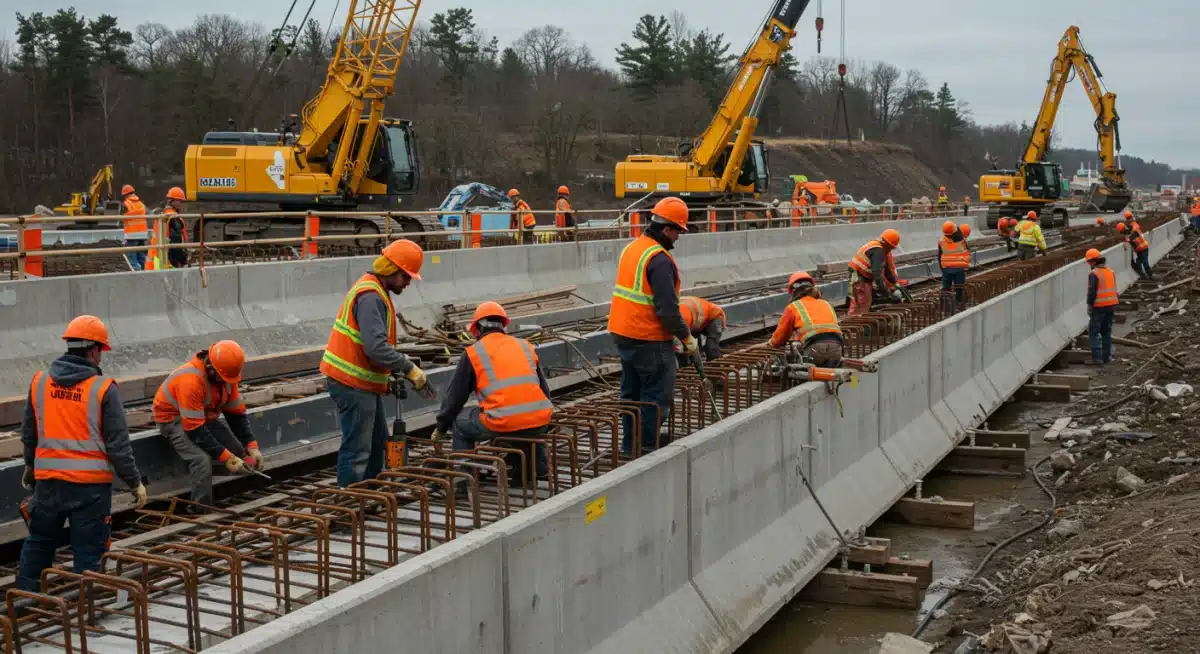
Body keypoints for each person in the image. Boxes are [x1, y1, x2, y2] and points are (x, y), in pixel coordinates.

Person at [17, 316, 146, 592]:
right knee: (89, 552)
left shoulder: (40, 382)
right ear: (95, 350)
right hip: (90, 490)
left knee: (39, 542)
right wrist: (134, 482)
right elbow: (118, 446)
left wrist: (30, 466)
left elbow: (29, 432)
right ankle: (85, 610)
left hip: (49, 483)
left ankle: (24, 602)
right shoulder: (103, 389)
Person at [321, 239, 431, 487]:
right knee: (358, 448)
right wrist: (408, 368)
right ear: (392, 270)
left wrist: (387, 378)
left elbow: (370, 348)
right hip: (351, 383)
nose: (408, 282)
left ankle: (370, 493)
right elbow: (376, 348)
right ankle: (350, 499)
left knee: (377, 442)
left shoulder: (376, 290)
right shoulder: (371, 297)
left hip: (362, 383)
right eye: (406, 275)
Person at [431, 301, 554, 483]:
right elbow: (544, 391)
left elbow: (454, 398)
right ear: (503, 326)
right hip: (541, 421)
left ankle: (463, 481)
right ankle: (540, 469)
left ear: (477, 329)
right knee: (528, 419)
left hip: (504, 423)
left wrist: (441, 427)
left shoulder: (474, 353)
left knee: (460, 423)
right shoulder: (525, 346)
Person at [608, 196, 693, 455]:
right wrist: (686, 337)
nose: (678, 237)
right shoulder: (660, 260)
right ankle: (645, 447)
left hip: (623, 332)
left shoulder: (633, 248)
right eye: (678, 231)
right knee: (656, 395)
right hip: (649, 337)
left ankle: (629, 444)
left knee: (632, 392)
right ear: (667, 228)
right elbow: (668, 310)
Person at [154, 341, 260, 511]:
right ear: (211, 367)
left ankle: (209, 478)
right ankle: (199, 510)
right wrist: (226, 458)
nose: (225, 382)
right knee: (201, 460)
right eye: (223, 378)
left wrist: (251, 445)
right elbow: (195, 431)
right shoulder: (191, 381)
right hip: (173, 419)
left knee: (239, 452)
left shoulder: (226, 376)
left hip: (202, 416)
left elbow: (236, 415)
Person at [769, 272, 843, 367]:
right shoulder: (826, 303)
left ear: (793, 292)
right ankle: (849, 381)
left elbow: (778, 340)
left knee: (789, 366)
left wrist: (771, 343)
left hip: (815, 350)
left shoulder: (793, 307)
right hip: (837, 349)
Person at [847, 229, 903, 316]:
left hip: (861, 277)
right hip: (860, 278)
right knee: (862, 304)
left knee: (862, 303)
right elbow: (877, 272)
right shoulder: (878, 250)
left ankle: (859, 323)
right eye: (891, 247)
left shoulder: (879, 248)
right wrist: (883, 289)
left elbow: (887, 270)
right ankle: (857, 325)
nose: (890, 250)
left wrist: (895, 283)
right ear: (887, 244)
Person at [1084, 248, 1118, 365]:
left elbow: (1092, 292)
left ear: (1093, 261)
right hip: (1111, 305)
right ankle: (1106, 357)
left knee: (1093, 331)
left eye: (1089, 262)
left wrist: (1089, 305)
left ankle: (1097, 358)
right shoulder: (1111, 271)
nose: (1089, 265)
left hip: (1099, 306)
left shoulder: (1094, 274)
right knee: (1106, 331)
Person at [679, 296, 726, 362]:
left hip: (714, 316)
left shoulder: (682, 319)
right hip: (697, 317)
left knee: (711, 346)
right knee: (687, 346)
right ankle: (697, 358)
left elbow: (684, 342)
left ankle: (714, 365)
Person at [938, 221, 970, 310]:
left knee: (946, 289)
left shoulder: (942, 241)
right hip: (958, 268)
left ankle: (944, 307)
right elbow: (966, 251)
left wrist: (942, 268)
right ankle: (958, 305)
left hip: (947, 269)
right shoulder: (960, 239)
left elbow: (939, 256)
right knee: (959, 288)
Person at [120, 184, 149, 271]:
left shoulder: (126, 204)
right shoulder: (141, 204)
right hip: (143, 234)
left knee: (132, 257)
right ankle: (145, 272)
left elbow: (122, 217)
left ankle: (136, 274)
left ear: (125, 195)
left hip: (131, 235)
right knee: (141, 256)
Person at [164, 187, 189, 269]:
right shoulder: (174, 218)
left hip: (164, 254)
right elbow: (176, 242)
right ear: (173, 202)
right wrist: (183, 259)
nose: (182, 204)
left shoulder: (165, 214)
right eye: (180, 201)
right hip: (172, 258)